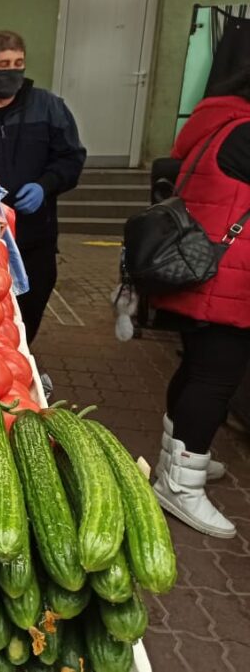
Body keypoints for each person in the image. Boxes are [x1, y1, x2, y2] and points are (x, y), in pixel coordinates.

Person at [151, 66, 250, 539]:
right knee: (215, 379)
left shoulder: (218, 122)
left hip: (202, 268)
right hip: (227, 278)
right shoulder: (245, 134)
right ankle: (180, 483)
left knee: (196, 370)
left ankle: (180, 456)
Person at [0, 31, 86, 344]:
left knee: (28, 312)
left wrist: (45, 186)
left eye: (18, 63)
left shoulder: (48, 107)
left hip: (35, 236)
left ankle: (21, 358)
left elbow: (71, 159)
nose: (13, 71)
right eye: (3, 64)